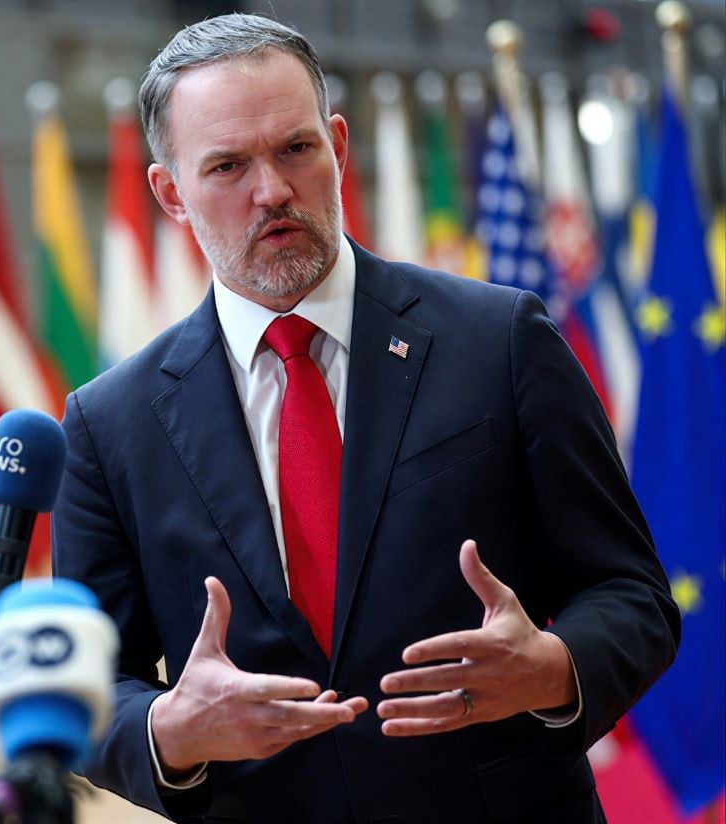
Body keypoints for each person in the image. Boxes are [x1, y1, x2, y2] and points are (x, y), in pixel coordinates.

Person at [52, 13, 678, 823]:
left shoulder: (501, 340)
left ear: (338, 147)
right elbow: (88, 688)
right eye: (228, 165)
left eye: (295, 149)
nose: (271, 189)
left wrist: (555, 667)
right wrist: (169, 729)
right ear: (171, 192)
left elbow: (631, 593)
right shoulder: (109, 424)